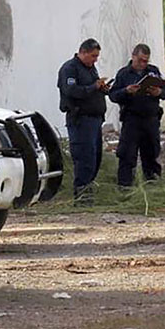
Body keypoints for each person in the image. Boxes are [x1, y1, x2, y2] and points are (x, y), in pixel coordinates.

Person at [57, 38, 111, 206]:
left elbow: (92, 88)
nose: (95, 60)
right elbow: (72, 91)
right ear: (83, 52)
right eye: (93, 56)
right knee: (84, 158)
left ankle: (88, 195)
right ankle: (81, 198)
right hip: (81, 120)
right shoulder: (70, 69)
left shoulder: (90, 68)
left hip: (95, 120)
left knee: (95, 158)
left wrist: (102, 88)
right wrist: (93, 87)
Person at [109, 44, 165, 188]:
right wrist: (126, 91)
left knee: (151, 154)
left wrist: (159, 92)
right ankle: (125, 188)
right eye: (140, 60)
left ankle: (152, 185)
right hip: (132, 120)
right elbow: (113, 95)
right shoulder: (124, 74)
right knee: (127, 155)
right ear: (133, 56)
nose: (143, 64)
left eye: (145, 61)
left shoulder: (153, 72)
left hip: (151, 120)